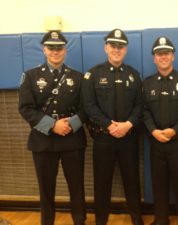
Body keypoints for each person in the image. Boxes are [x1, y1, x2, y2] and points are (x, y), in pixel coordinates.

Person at [19, 31, 87, 225]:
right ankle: (47, 221)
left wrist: (70, 125)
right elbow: (25, 108)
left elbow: (86, 109)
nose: (55, 52)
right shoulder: (31, 76)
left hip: (72, 138)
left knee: (76, 186)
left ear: (65, 50)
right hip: (43, 140)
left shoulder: (78, 77)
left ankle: (79, 220)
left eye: (59, 48)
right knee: (46, 188)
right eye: (51, 48)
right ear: (44, 50)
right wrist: (52, 125)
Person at [81, 29, 144, 225]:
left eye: (121, 46)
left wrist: (128, 124)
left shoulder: (134, 75)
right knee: (102, 182)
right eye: (113, 46)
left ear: (125, 49)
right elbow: (89, 106)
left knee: (132, 181)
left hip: (128, 138)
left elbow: (140, 105)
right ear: (106, 47)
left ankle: (136, 218)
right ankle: (101, 220)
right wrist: (109, 126)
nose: (117, 49)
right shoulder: (93, 74)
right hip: (103, 139)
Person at [143, 36, 178, 225]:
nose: (163, 57)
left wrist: (174, 130)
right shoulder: (147, 83)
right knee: (159, 186)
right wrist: (153, 131)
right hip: (157, 144)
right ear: (154, 58)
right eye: (159, 54)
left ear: (173, 56)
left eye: (166, 53)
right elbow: (144, 111)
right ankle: (161, 219)